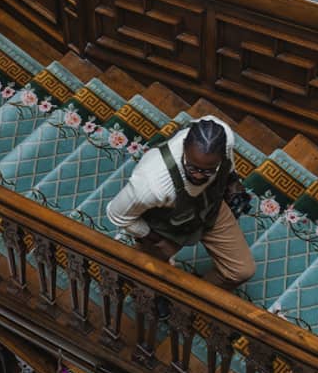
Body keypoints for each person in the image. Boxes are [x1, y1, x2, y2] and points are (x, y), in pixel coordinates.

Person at [105, 116, 256, 291]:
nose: (199, 176)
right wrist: (152, 238)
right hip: (167, 226)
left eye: (207, 171)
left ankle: (190, 299)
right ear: (184, 148)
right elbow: (116, 214)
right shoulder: (151, 183)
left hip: (210, 208)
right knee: (143, 274)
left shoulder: (225, 137)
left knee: (242, 271)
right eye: (192, 168)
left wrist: (232, 183)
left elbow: (228, 165)